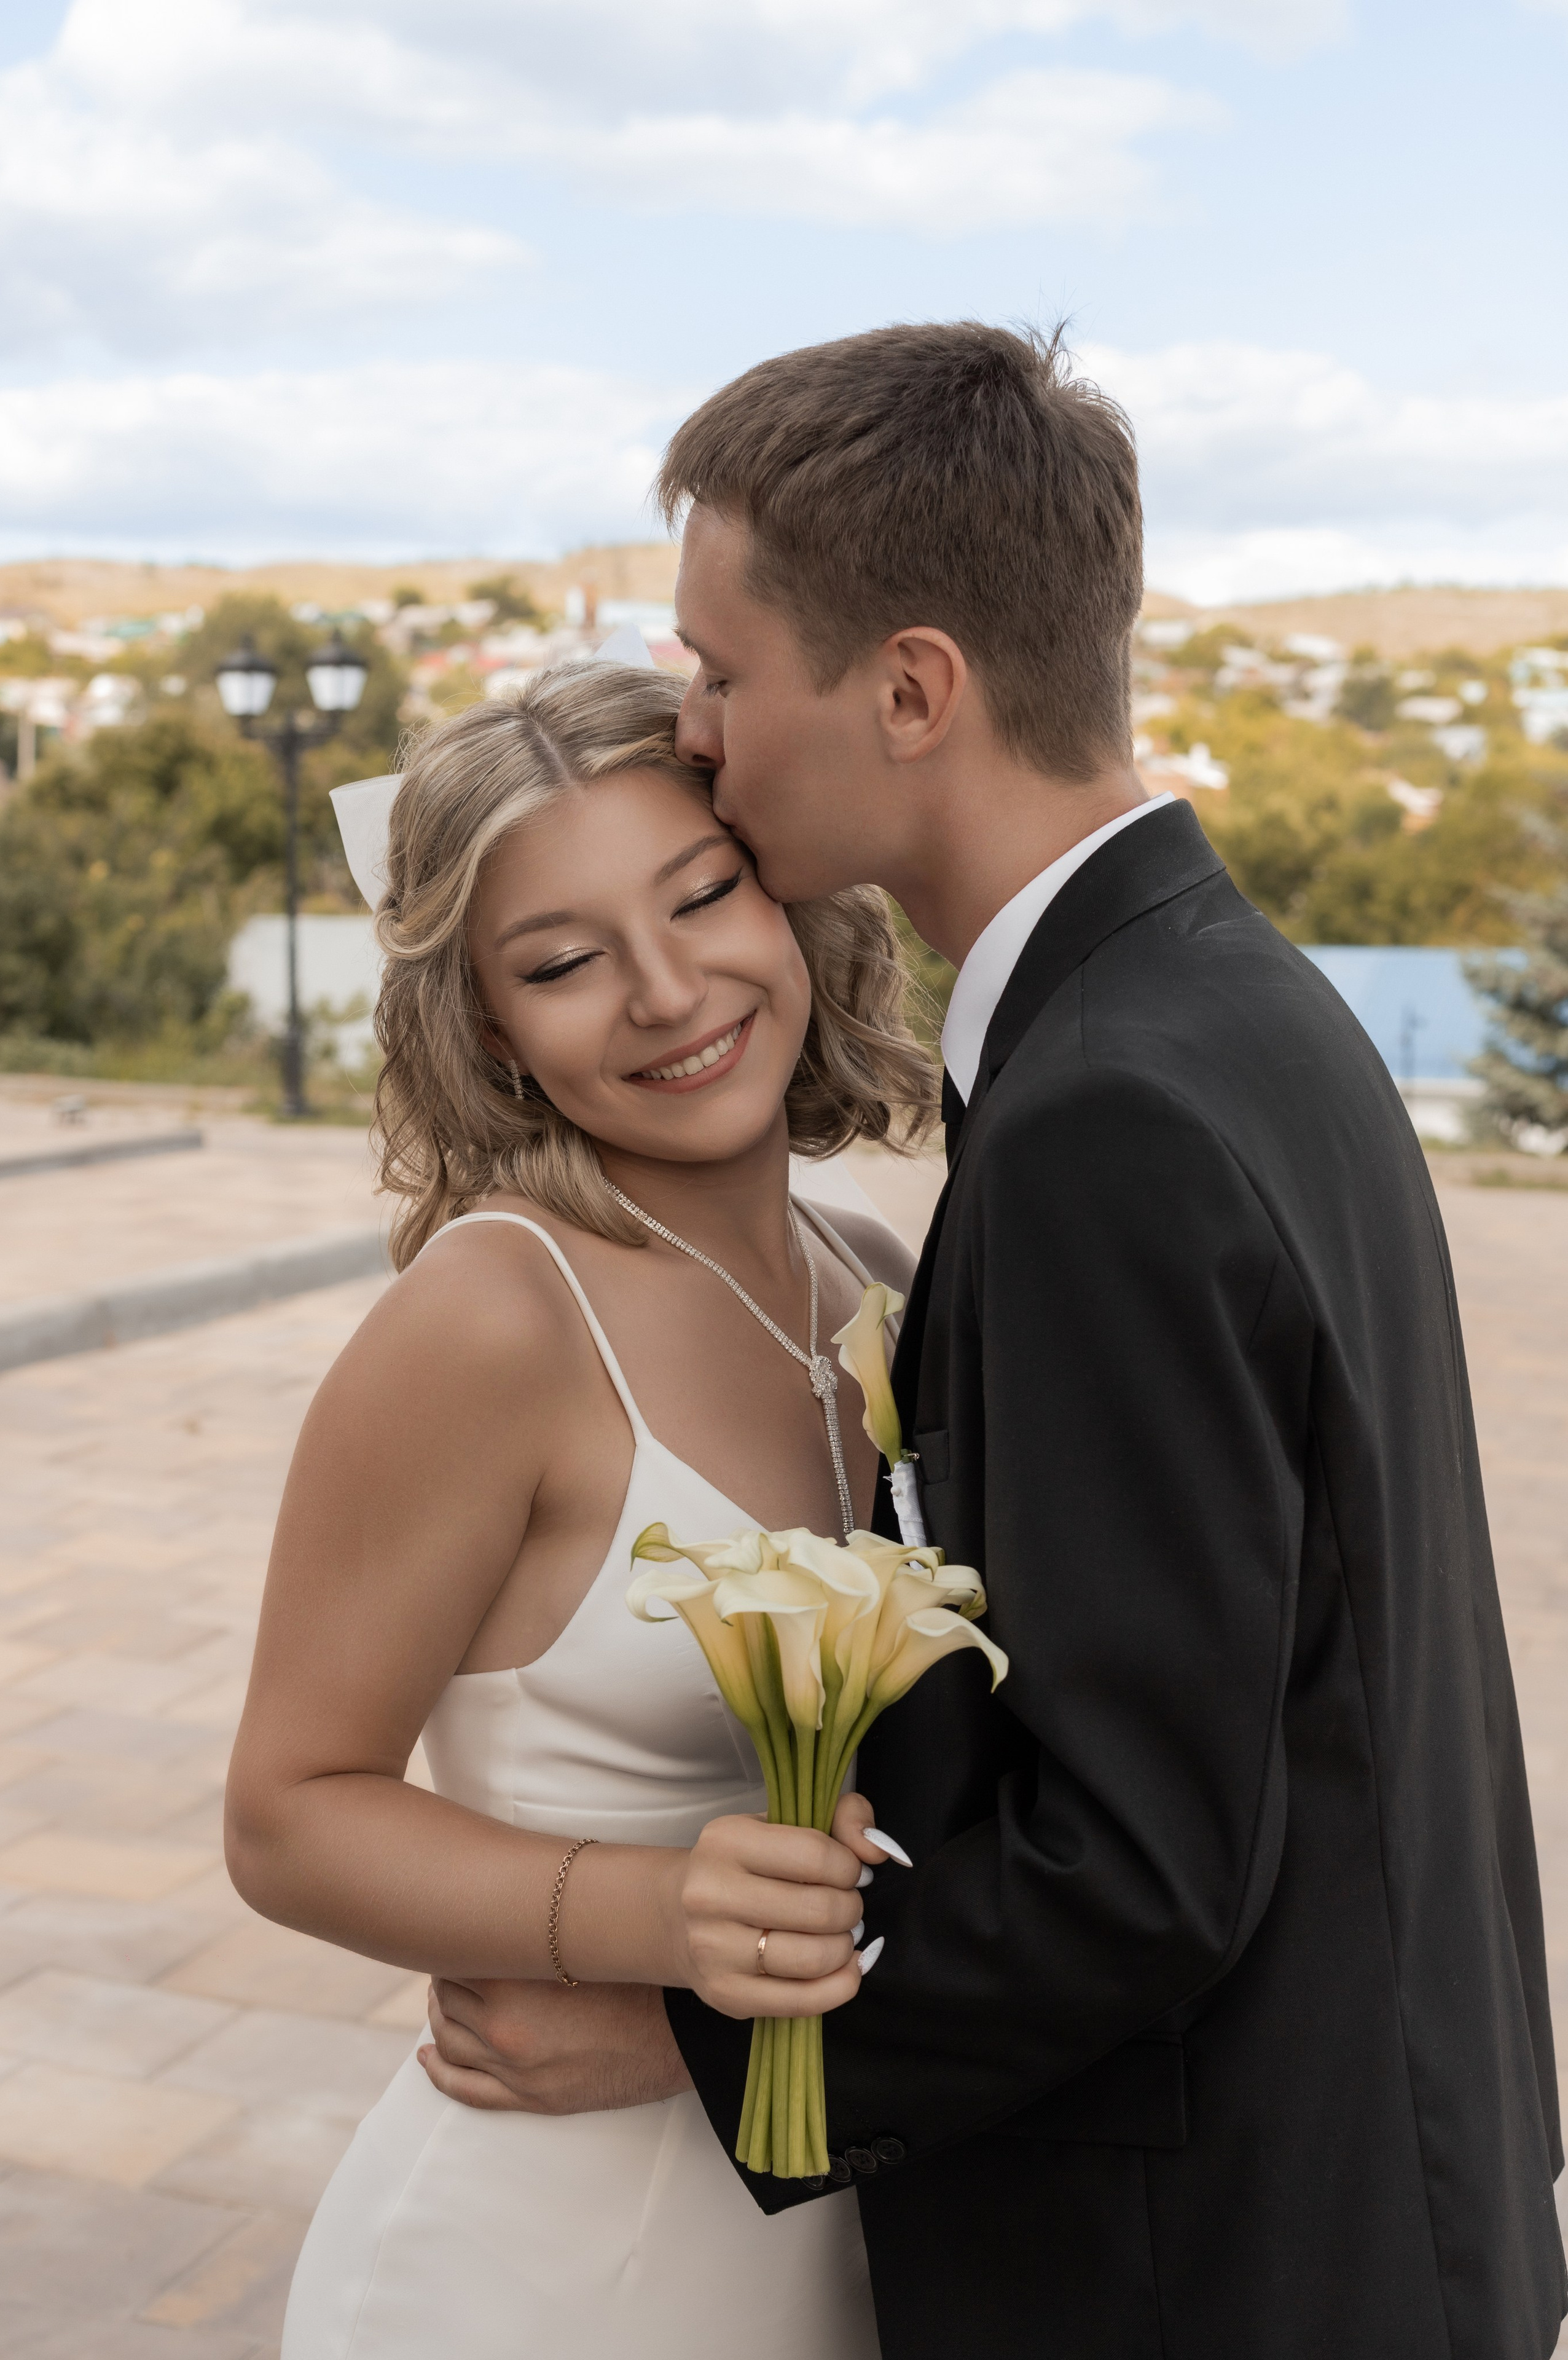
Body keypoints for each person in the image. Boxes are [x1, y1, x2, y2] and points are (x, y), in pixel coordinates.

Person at [434, 325, 1567, 2360]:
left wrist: (704, 2046)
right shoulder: (1248, 1008)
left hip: (1210, 2273)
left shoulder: (1104, 1121)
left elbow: (1135, 1862)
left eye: (719, 670)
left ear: (913, 689)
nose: (694, 729)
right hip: (1367, 2196)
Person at [225, 654, 941, 2359]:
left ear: (791, 898)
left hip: (837, 2236)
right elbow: (285, 1812)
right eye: (560, 962)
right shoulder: (496, 1320)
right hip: (538, 2268)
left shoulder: (885, 1282)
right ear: (486, 1026)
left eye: (702, 895)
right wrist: (654, 1922)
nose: (667, 990)